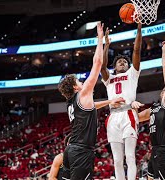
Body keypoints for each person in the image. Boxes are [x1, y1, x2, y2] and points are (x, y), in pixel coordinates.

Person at [57, 22, 125, 180]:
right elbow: (97, 64)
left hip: (71, 150)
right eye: (79, 81)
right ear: (75, 87)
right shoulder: (82, 94)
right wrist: (100, 39)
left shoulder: (72, 102)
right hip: (81, 151)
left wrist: (110, 101)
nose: (82, 83)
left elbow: (92, 106)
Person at [131, 41, 165, 180]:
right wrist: (132, 105)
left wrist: (164, 49)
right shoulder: (154, 107)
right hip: (155, 149)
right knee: (150, 177)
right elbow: (137, 118)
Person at [101, 23, 142, 180]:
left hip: (128, 114)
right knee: (117, 160)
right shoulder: (108, 78)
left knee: (130, 156)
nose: (123, 62)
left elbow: (137, 51)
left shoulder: (133, 73)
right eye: (119, 62)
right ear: (115, 67)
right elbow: (102, 65)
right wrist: (107, 45)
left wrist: (139, 29)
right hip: (113, 117)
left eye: (125, 61)